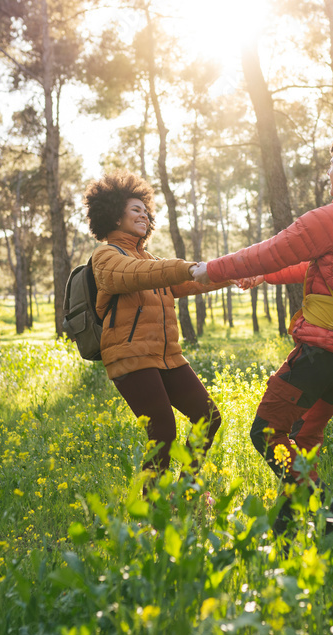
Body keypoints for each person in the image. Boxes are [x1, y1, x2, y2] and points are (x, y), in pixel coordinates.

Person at [191, 132, 333, 538]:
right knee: (304, 435)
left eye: (331, 165)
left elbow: (272, 249)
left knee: (266, 433)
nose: (328, 173)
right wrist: (264, 276)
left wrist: (211, 269)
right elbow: (315, 267)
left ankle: (330, 516)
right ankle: (284, 529)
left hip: (322, 352)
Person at [86, 170, 226, 487]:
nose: (144, 215)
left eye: (146, 211)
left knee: (208, 417)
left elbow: (185, 280)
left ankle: (184, 490)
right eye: (136, 209)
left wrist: (233, 275)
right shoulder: (107, 256)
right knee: (162, 429)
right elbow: (142, 274)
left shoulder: (149, 257)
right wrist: (186, 266)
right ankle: (152, 508)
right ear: (114, 214)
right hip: (129, 355)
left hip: (166, 357)